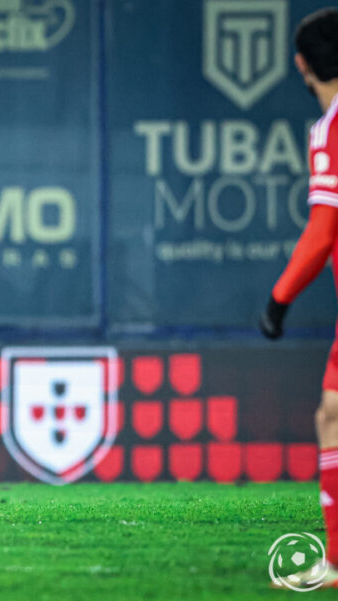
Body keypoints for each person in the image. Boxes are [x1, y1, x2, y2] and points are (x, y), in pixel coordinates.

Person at [259, 8, 338, 588]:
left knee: (332, 417)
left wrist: (279, 299)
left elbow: (323, 227)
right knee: (332, 412)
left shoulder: (330, 128)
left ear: (302, 65)